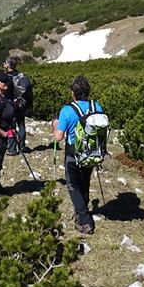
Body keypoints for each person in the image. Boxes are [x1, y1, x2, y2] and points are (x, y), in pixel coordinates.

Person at [53, 75, 103, 235]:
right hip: (92, 152)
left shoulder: (67, 110)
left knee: (73, 186)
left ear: (73, 93)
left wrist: (54, 125)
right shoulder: (97, 106)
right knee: (85, 182)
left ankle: (84, 219)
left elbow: (58, 137)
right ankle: (83, 209)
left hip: (73, 153)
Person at [4, 56, 32, 155]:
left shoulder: (7, 77)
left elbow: (6, 92)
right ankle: (22, 146)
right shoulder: (20, 76)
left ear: (7, 65)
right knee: (21, 124)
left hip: (11, 104)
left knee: (11, 126)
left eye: (5, 63)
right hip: (21, 104)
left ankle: (12, 148)